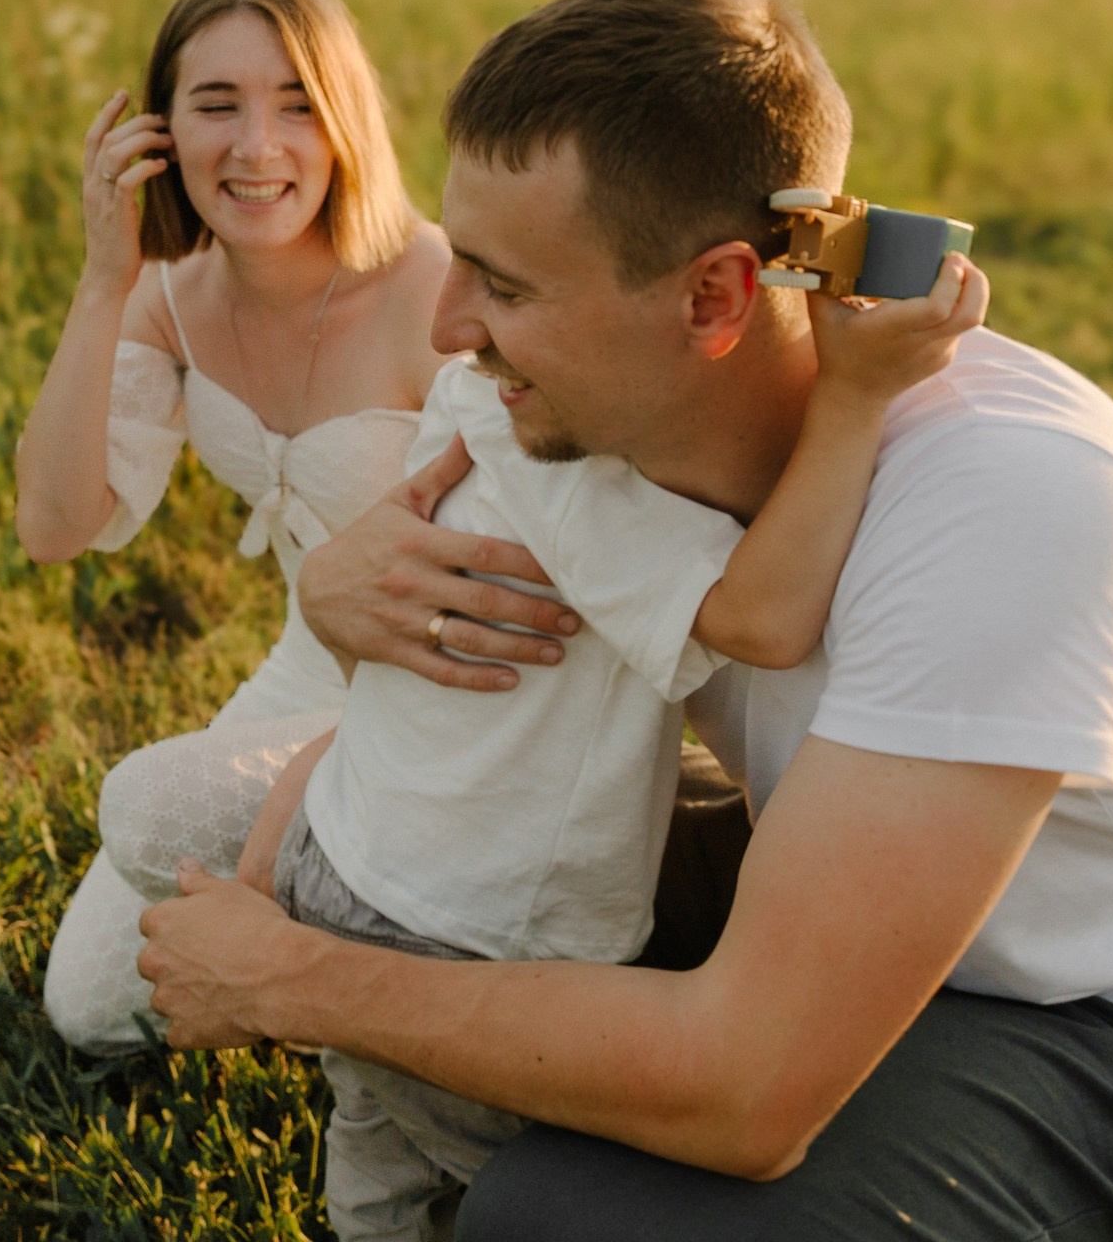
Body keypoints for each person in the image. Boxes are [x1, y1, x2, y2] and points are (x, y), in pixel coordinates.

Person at [136, 0, 1113, 1239]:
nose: (447, 325)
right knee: (390, 868)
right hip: (858, 868)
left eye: (507, 287)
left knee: (559, 1216)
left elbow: (746, 1094)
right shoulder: (600, 431)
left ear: (716, 296)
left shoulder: (1012, 501)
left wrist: (296, 981)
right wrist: (339, 603)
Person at [235, 248, 983, 1241]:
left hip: (356, 844)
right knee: (557, 1184)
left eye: (506, 284)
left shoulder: (481, 400)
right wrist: (854, 396)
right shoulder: (568, 467)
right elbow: (762, 618)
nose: (449, 326)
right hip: (469, 924)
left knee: (378, 1143)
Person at [16, 0, 452, 1054]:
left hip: (445, 688)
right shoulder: (170, 296)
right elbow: (56, 525)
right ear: (162, 130)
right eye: (218, 105)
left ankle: (364, 972)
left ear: (346, 123)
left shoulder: (428, 289)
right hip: (311, 670)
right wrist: (104, 281)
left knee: (153, 809)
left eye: (298, 105)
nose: (257, 148)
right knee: (95, 1005)